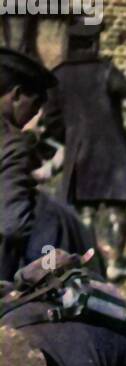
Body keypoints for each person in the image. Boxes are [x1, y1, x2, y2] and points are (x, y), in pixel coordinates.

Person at [47, 19, 126, 280]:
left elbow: (51, 119)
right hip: (112, 152)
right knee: (116, 208)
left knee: (85, 210)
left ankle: (89, 264)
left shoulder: (59, 75)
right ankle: (115, 264)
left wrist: (71, 137)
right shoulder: (105, 71)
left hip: (80, 152)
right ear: (94, 42)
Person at [0, 45, 56, 283]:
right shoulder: (11, 143)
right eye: (34, 105)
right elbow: (13, 225)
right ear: (16, 95)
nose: (33, 116)